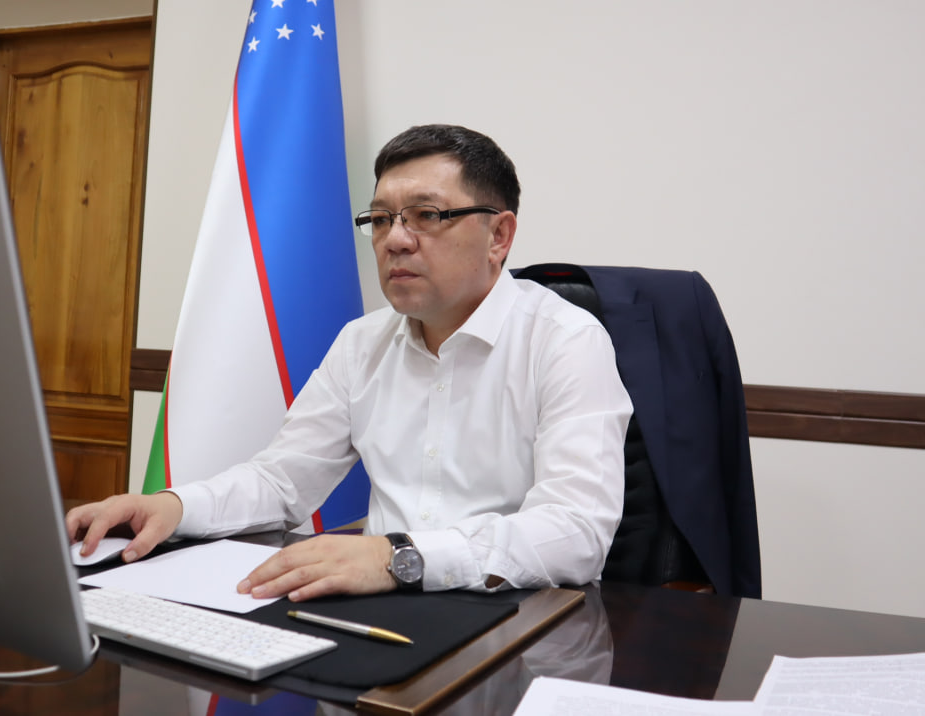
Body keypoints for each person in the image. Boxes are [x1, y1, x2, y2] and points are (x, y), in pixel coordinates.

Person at [67, 124, 631, 602]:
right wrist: (172, 506)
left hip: (516, 617)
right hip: (380, 607)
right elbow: (282, 480)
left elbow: (576, 532)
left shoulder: (566, 341)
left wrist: (398, 557)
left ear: (498, 235)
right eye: (381, 219)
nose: (395, 240)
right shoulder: (362, 343)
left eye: (426, 215)